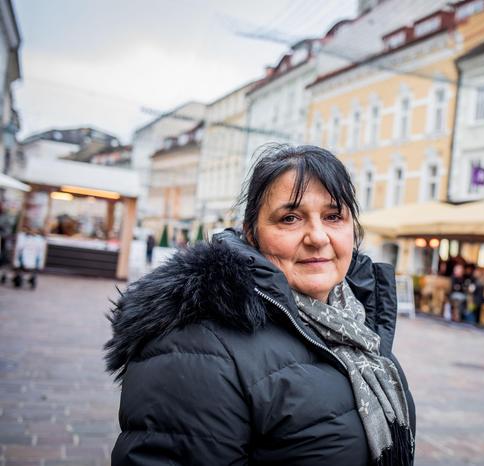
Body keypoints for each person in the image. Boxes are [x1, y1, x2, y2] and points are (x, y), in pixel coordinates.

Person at [105, 144, 416, 465]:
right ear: (251, 234)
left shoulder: (359, 329)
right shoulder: (194, 345)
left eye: (333, 216)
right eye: (290, 218)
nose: (318, 236)